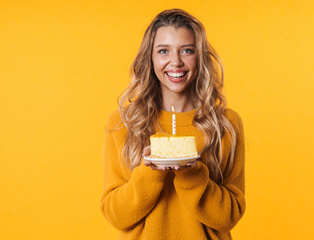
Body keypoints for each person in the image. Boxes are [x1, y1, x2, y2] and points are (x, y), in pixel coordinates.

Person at [100, 9, 245, 240]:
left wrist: (194, 174)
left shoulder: (226, 124)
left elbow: (230, 216)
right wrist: (149, 172)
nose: (175, 62)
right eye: (163, 51)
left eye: (187, 50)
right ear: (150, 57)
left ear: (200, 57)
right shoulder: (123, 123)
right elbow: (116, 215)